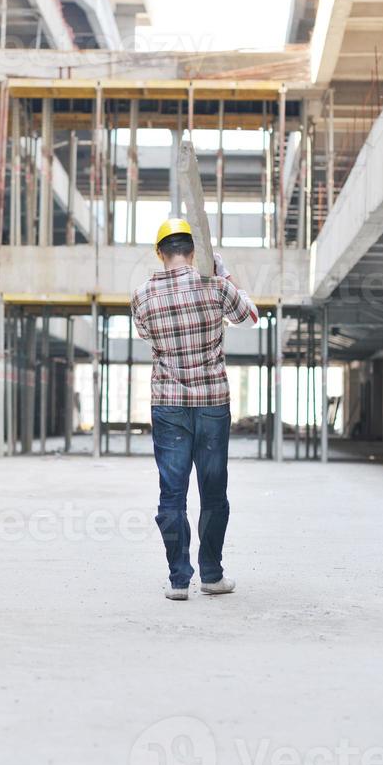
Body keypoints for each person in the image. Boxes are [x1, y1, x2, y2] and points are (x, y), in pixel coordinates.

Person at [130, 218, 258, 600]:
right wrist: (224, 272)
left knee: (172, 494)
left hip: (168, 405)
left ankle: (178, 580)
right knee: (214, 492)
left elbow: (145, 334)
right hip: (212, 404)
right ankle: (212, 574)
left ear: (160, 252)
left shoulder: (142, 296)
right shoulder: (216, 285)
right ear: (196, 251)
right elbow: (250, 317)